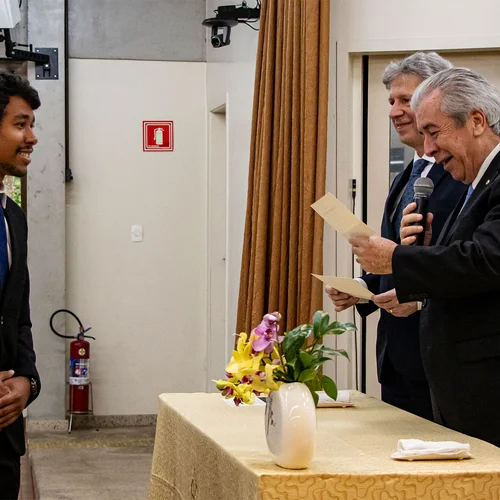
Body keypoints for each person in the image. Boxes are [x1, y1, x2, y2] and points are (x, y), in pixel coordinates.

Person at [350, 67, 500, 446]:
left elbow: (485, 261)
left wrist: (397, 260)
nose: (428, 148)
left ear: (477, 121)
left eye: (434, 131)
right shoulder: (477, 181)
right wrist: (422, 262)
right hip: (457, 392)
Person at [326, 53, 465, 421]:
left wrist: (419, 300)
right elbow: (398, 259)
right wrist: (360, 287)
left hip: (442, 357)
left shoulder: (464, 176)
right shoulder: (406, 176)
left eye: (406, 99)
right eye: (391, 101)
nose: (395, 111)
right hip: (395, 357)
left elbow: (463, 262)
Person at [0, 72, 41, 498]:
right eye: (20, 124)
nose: (32, 138)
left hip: (4, 440)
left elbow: (19, 319)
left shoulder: (14, 219)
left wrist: (28, 381)